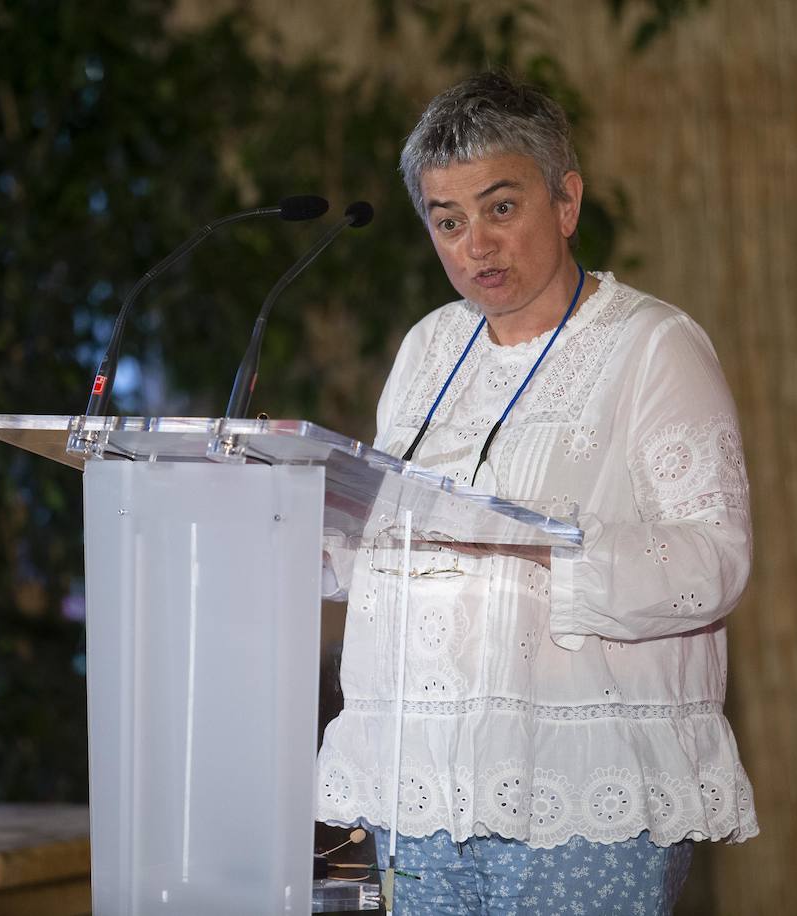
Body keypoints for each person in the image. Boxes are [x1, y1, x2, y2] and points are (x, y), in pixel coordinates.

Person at [315, 72, 756, 915]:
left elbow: (717, 558)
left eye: (500, 208)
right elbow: (382, 535)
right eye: (447, 221)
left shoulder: (653, 347)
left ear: (566, 201)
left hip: (580, 796)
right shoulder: (426, 349)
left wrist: (541, 547)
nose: (475, 244)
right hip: (420, 794)